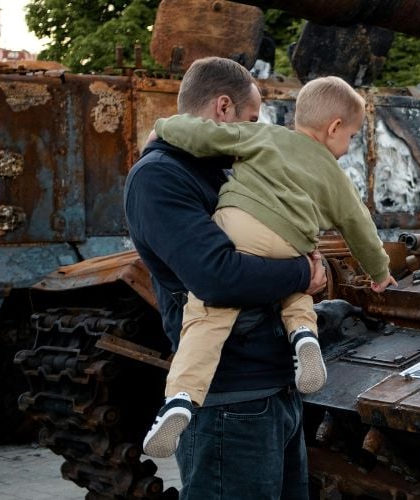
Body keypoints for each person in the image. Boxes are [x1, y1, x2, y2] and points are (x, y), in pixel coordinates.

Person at [141, 76, 396, 459]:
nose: (350, 145)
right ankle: (304, 338)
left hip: (240, 226)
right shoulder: (336, 177)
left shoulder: (265, 138)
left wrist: (164, 126)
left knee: (206, 320)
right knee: (298, 283)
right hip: (290, 244)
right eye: (353, 135)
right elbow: (359, 227)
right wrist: (379, 272)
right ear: (334, 128)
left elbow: (202, 134)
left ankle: (180, 399)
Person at [124, 56, 325, 499]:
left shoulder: (221, 169)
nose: (255, 130)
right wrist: (302, 272)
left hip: (276, 392)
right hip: (229, 402)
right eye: (251, 119)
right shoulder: (160, 178)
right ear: (222, 108)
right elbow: (217, 277)